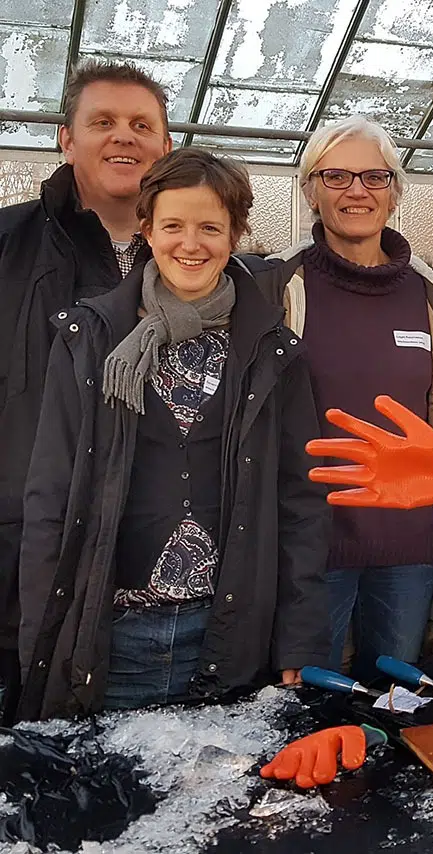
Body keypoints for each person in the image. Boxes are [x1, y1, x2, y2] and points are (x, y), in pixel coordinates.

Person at [17, 149, 330, 721]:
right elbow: (49, 496)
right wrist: (43, 636)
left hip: (227, 634)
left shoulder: (271, 350)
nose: (191, 243)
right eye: (173, 226)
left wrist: (299, 637)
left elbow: (301, 502)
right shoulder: (91, 338)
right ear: (147, 230)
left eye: (210, 227)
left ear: (235, 235)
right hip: (112, 639)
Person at [257, 116, 433, 680]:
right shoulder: (276, 288)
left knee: (394, 701)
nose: (357, 190)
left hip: (408, 547)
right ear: (310, 190)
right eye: (336, 176)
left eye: (375, 177)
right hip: (310, 551)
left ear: (395, 192)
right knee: (311, 704)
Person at [0, 60, 172, 724]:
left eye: (141, 125)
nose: (124, 136)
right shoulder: (9, 247)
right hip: (18, 560)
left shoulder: (196, 263)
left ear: (165, 147)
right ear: (66, 139)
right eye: (103, 121)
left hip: (149, 578)